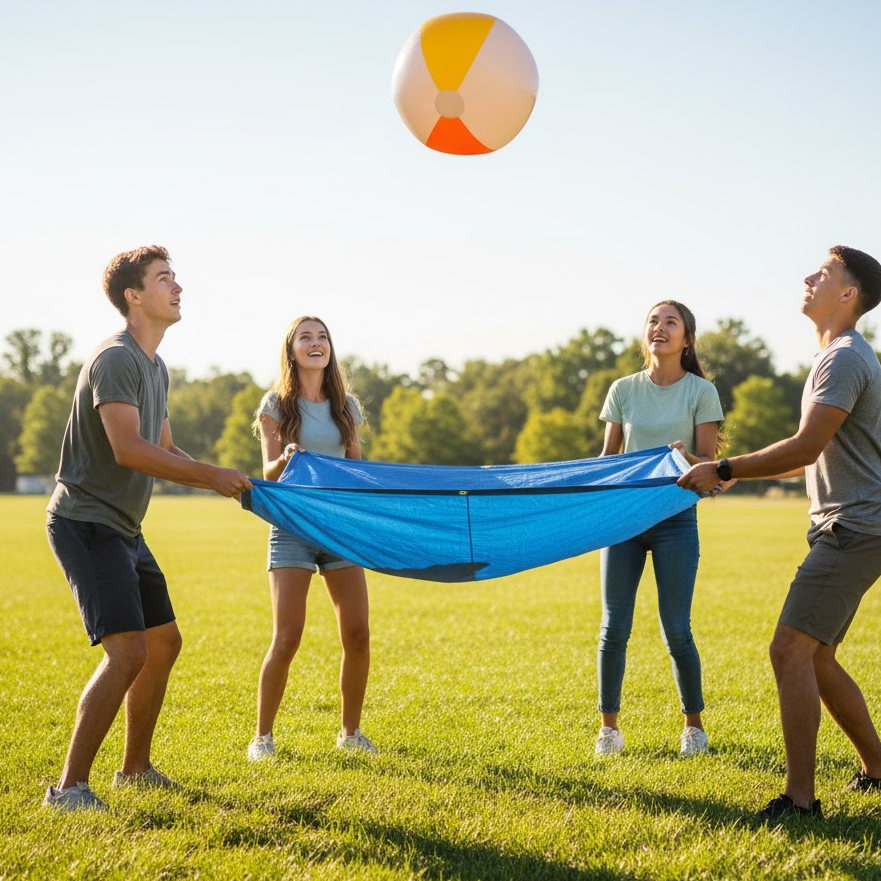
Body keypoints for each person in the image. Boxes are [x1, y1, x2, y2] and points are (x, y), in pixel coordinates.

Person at [43, 245, 253, 812]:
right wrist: (211, 477)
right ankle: (67, 790)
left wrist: (233, 481)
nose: (177, 287)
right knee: (127, 652)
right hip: (86, 521)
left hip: (124, 527)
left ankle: (135, 771)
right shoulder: (116, 358)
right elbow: (128, 449)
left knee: (163, 642)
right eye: (164, 279)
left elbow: (163, 446)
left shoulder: (155, 365)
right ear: (134, 296)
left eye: (175, 277)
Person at [679, 245, 881, 820]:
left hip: (854, 526)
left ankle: (799, 800)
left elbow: (805, 446)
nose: (809, 277)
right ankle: (878, 770)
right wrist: (728, 473)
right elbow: (812, 457)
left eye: (824, 273)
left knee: (789, 648)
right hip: (855, 525)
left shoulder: (844, 357)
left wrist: (724, 466)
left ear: (848, 294)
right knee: (817, 657)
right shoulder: (839, 356)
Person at [595, 300, 725, 758]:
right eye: (653, 320)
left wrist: (685, 457)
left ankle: (694, 728)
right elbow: (608, 460)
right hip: (624, 522)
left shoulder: (701, 392)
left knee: (677, 628)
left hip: (675, 521)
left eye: (671, 322)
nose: (660, 328)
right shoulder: (622, 390)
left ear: (687, 339)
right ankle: (608, 730)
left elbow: (708, 465)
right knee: (614, 627)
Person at [247, 316, 375, 761]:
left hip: (338, 529)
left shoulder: (346, 407)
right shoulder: (276, 404)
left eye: (322, 337)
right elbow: (267, 474)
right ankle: (262, 738)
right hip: (292, 528)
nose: (316, 343)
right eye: (306, 337)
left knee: (357, 633)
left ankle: (350, 734)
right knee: (287, 636)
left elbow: (356, 469)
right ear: (292, 349)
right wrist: (285, 457)